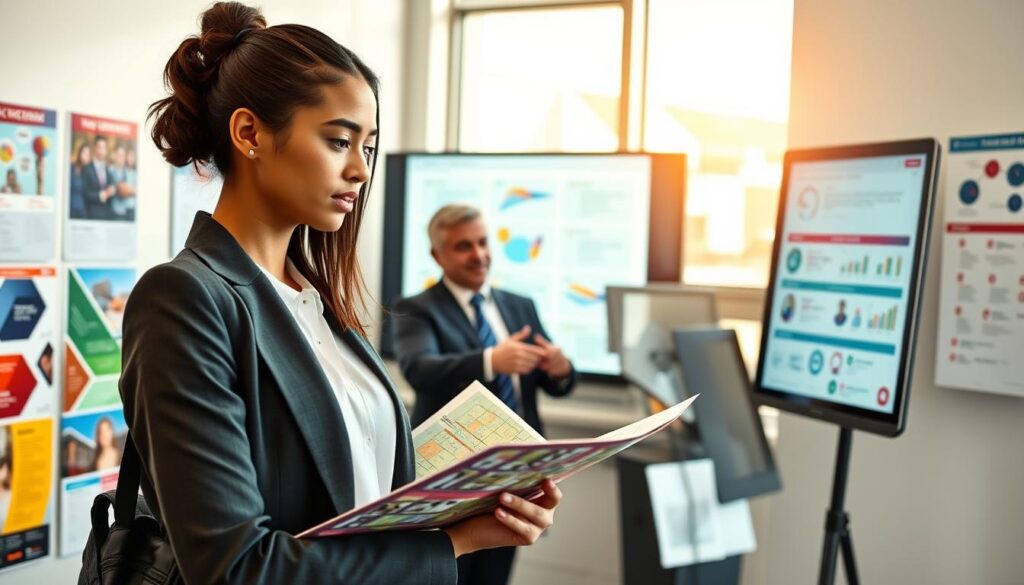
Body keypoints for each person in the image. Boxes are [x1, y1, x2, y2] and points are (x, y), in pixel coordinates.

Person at [121, 3, 562, 584]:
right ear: (249, 133)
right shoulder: (185, 298)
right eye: (338, 141)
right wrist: (450, 545)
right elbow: (237, 569)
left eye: (369, 147)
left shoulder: (318, 303)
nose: (359, 170)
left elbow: (357, 491)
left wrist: (473, 502)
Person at [392, 204, 577, 585]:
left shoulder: (519, 305)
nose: (479, 255)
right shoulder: (416, 309)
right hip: (452, 481)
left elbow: (553, 384)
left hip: (516, 478)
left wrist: (561, 369)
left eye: (483, 242)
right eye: (463, 246)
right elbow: (419, 370)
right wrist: (492, 359)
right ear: (436, 256)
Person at [81, 135, 116, 219]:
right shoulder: (87, 169)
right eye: (99, 147)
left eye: (104, 148)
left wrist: (113, 190)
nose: (101, 150)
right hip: (92, 215)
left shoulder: (108, 169)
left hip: (107, 216)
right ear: (95, 148)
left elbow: (112, 186)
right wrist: (99, 196)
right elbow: (84, 193)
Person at [68, 142, 91, 218]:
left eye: (88, 154)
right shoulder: (71, 168)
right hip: (70, 210)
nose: (85, 156)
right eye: (84, 152)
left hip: (82, 212)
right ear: (79, 153)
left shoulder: (88, 172)